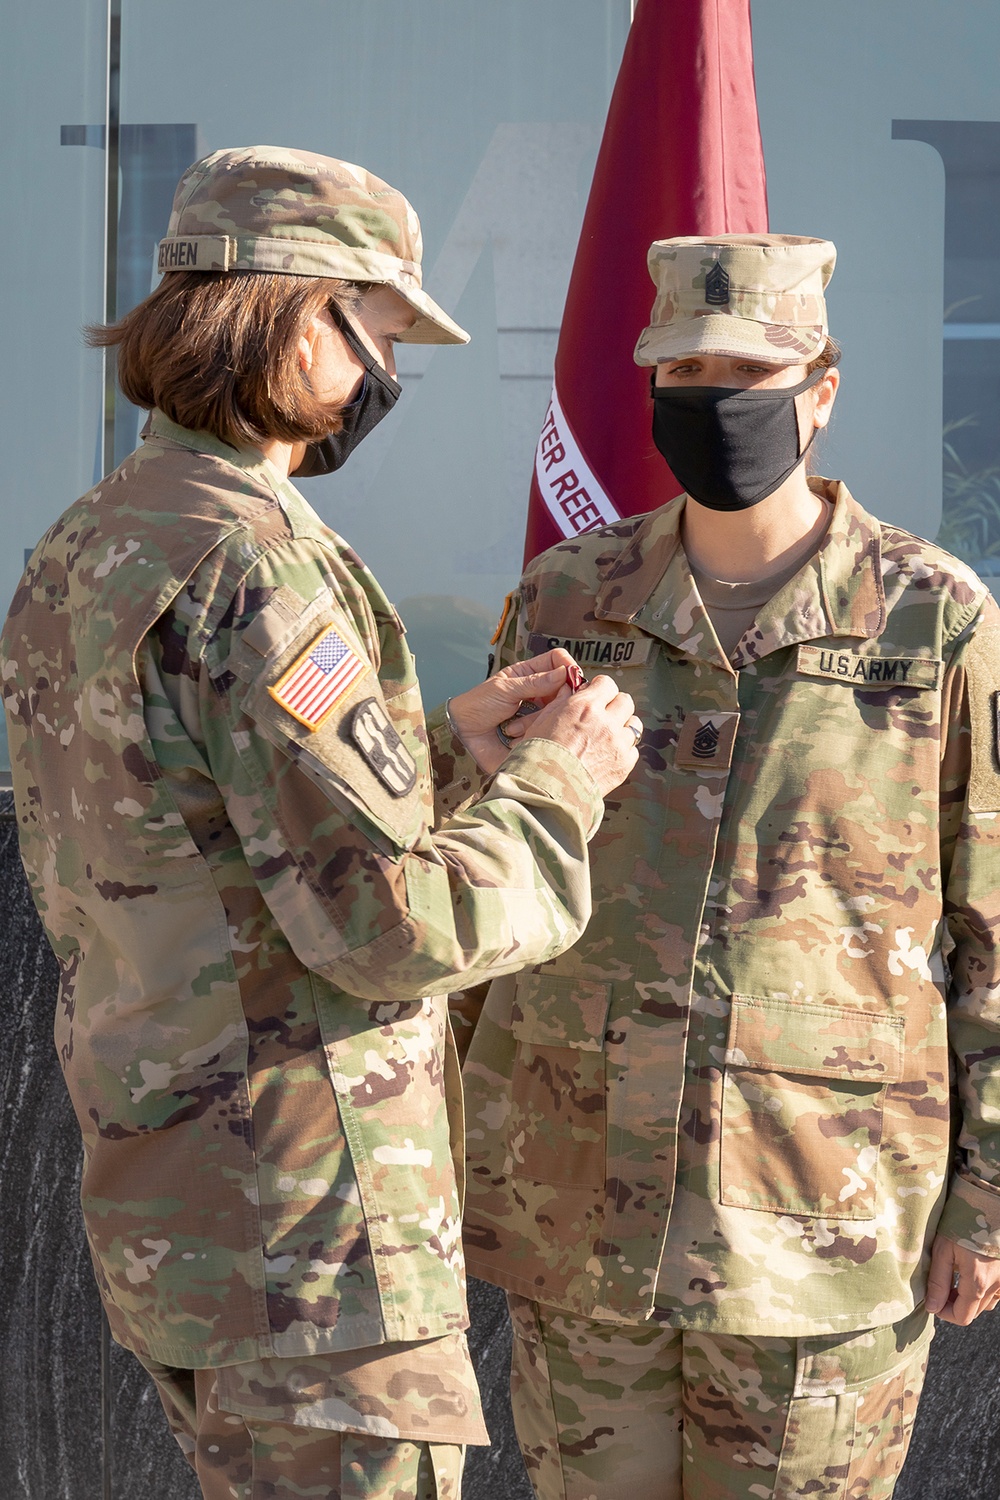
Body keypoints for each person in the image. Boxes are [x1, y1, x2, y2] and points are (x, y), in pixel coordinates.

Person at [0, 146, 642, 1500]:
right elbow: (382, 929)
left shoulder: (97, 539)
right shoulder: (259, 558)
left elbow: (190, 821)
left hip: (185, 1199)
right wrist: (560, 783)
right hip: (314, 1237)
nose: (381, 381)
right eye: (382, 334)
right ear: (300, 318)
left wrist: (435, 752)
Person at [461, 234, 1000, 1500]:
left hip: (817, 1221)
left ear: (821, 389)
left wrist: (987, 1193)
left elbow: (990, 920)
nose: (712, 402)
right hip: (578, 1203)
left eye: (748, 372)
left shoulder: (932, 615)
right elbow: (495, 877)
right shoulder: (567, 594)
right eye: (683, 371)